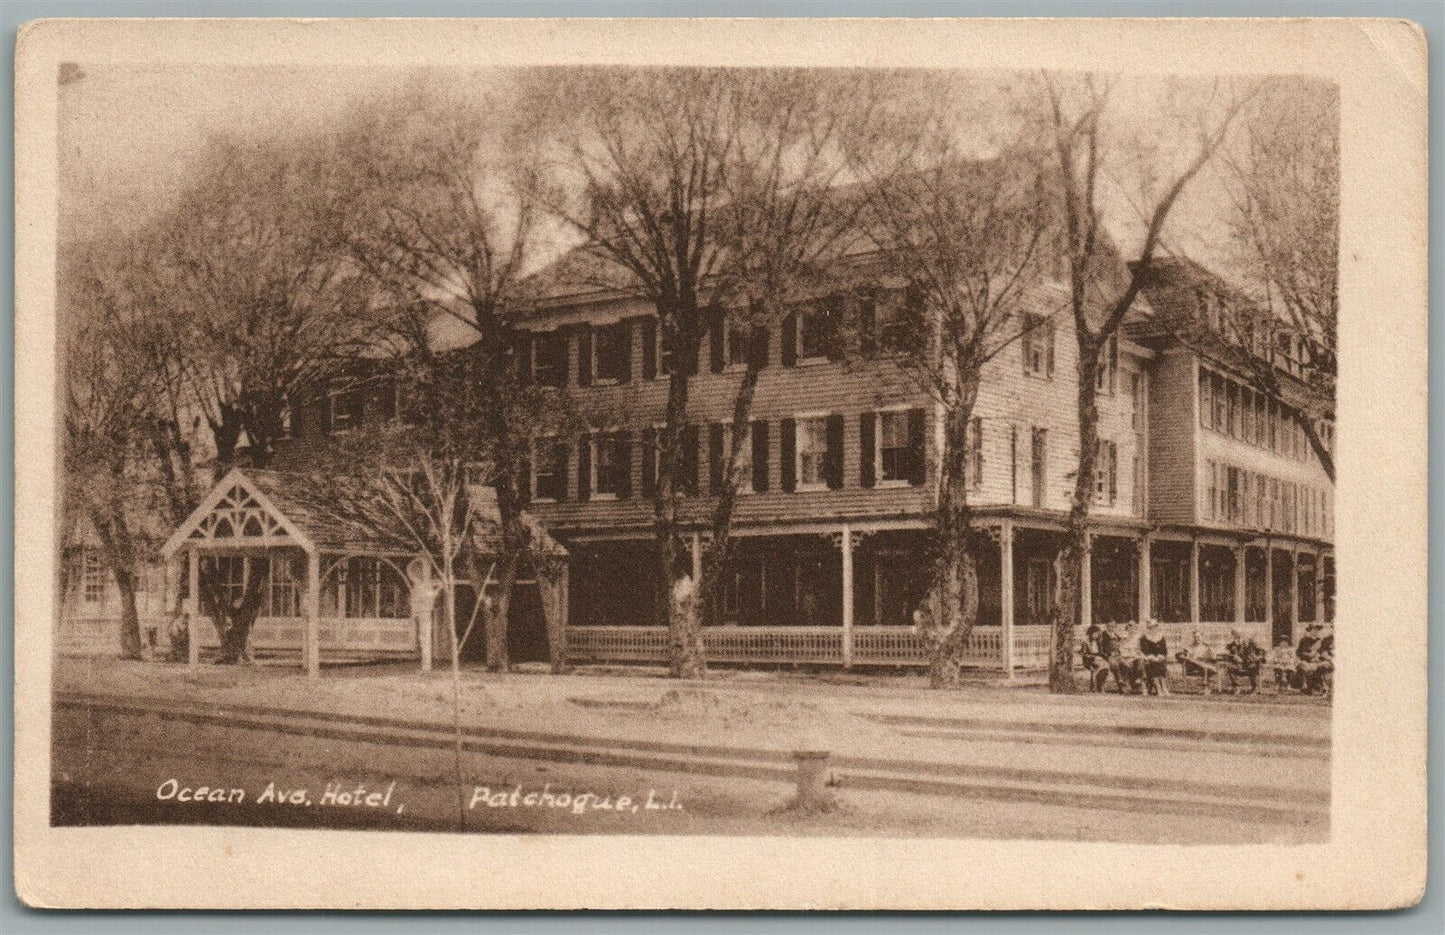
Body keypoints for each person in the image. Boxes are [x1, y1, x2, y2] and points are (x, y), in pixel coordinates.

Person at [1223, 629, 1265, 695]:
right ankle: (1237, 687)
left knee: (1253, 667)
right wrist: (1234, 656)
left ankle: (1254, 688)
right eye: (1234, 634)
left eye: (1238, 634)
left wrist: (1257, 658)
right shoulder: (1231, 645)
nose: (1236, 636)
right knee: (1229, 667)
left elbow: (1261, 653)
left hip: (1250, 664)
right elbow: (1227, 654)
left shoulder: (1251, 643)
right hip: (1238, 665)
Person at [1175, 630, 1218, 694]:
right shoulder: (1190, 647)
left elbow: (1214, 657)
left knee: (1205, 667)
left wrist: (1212, 656)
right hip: (1194, 667)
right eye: (1195, 637)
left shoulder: (1206, 647)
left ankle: (1206, 688)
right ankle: (1206, 688)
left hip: (1206, 665)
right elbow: (1186, 657)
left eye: (1198, 637)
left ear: (1202, 637)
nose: (1197, 639)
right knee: (1198, 663)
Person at [1139, 619, 1170, 695]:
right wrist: (1150, 656)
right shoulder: (1145, 638)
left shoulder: (1161, 637)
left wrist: (1161, 655)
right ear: (1148, 628)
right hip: (1149, 658)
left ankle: (1164, 687)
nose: (1153, 628)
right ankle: (1159, 687)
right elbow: (1144, 650)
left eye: (1155, 626)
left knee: (1161, 663)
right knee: (1153, 664)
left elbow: (1164, 650)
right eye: (1151, 627)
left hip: (1159, 658)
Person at [1080, 623, 1110, 693]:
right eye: (1095, 634)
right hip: (1089, 660)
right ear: (1091, 633)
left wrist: (1103, 656)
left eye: (1098, 634)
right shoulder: (1086, 642)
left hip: (1099, 660)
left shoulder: (1098, 642)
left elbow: (1101, 652)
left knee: (1105, 667)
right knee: (1104, 665)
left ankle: (1101, 685)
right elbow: (1084, 654)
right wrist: (1094, 657)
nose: (1097, 635)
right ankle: (1098, 687)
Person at [1116, 622, 1145, 695]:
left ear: (1136, 629)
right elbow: (1121, 650)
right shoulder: (1123, 639)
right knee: (1122, 663)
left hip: (1135, 657)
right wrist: (1126, 658)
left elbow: (1139, 651)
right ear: (1127, 629)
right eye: (1129, 628)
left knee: (1140, 662)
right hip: (1126, 657)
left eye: (1133, 628)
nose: (1132, 629)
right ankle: (1125, 685)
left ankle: (1137, 682)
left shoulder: (1138, 639)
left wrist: (1133, 657)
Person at [1294, 625, 1322, 693]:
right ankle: (1306, 687)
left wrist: (1317, 657)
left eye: (1317, 630)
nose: (1315, 632)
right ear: (1309, 631)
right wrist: (1308, 655)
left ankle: (1316, 687)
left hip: (1316, 660)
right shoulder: (1304, 640)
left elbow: (1321, 652)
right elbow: (1298, 652)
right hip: (1304, 660)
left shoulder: (1319, 641)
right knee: (1305, 668)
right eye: (1313, 630)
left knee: (1319, 668)